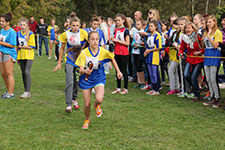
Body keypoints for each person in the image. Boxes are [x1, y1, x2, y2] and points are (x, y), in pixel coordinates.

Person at [75, 31, 122, 129]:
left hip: (98, 78)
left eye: (97, 39)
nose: (95, 42)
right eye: (92, 39)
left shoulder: (102, 51)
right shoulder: (84, 53)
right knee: (87, 104)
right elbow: (80, 70)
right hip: (86, 79)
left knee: (99, 99)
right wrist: (85, 71)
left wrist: (118, 71)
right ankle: (87, 120)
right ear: (88, 40)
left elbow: (112, 58)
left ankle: (96, 105)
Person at [54, 16, 88, 113]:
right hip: (69, 60)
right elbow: (62, 48)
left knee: (76, 82)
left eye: (77, 25)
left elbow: (89, 42)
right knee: (70, 81)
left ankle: (74, 99)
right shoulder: (66, 34)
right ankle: (68, 104)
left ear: (80, 25)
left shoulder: (83, 33)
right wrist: (59, 62)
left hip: (80, 61)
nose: (75, 27)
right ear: (70, 25)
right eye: (73, 25)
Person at [179, 22, 204, 101]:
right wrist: (180, 53)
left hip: (198, 59)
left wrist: (199, 52)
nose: (187, 29)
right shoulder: (185, 38)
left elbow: (203, 47)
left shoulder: (198, 37)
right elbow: (181, 48)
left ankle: (196, 94)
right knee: (186, 75)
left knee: (194, 77)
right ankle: (195, 87)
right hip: (190, 58)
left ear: (193, 29)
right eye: (186, 28)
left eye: (189, 28)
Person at [202, 15, 223, 108]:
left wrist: (210, 35)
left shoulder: (217, 32)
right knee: (208, 79)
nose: (208, 24)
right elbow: (204, 45)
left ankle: (217, 98)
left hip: (214, 55)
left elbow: (215, 45)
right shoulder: (206, 32)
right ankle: (211, 96)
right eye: (207, 22)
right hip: (207, 55)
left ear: (214, 22)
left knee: (213, 78)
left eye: (210, 22)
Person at [111, 14, 130, 94]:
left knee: (124, 70)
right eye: (116, 20)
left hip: (124, 52)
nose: (117, 22)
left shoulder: (126, 30)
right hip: (117, 52)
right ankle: (118, 87)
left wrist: (117, 41)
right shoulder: (116, 30)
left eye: (118, 20)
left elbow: (127, 43)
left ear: (123, 21)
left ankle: (125, 88)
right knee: (117, 70)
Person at [17, 18, 35, 98]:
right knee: (23, 73)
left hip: (29, 55)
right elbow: (17, 46)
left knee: (27, 71)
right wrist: (17, 56)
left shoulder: (30, 34)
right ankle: (25, 91)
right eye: (21, 25)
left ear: (27, 25)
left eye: (24, 25)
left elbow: (32, 46)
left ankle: (28, 91)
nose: (22, 26)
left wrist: (23, 47)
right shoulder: (17, 33)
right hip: (21, 55)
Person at [0, 12, 17, 98]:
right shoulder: (2, 30)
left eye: (3, 21)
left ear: (8, 22)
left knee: (9, 73)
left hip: (9, 54)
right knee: (3, 74)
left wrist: (0, 42)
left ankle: (11, 93)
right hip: (1, 53)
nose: (1, 23)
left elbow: (12, 45)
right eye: (0, 21)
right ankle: (8, 91)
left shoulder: (12, 32)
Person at [144, 20, 162, 95]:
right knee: (150, 73)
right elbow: (147, 45)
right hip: (149, 56)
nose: (150, 28)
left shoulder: (157, 35)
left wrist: (149, 50)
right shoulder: (149, 35)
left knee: (154, 73)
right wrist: (146, 51)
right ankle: (153, 88)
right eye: (149, 26)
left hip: (154, 55)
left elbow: (159, 47)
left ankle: (157, 89)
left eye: (152, 26)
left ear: (155, 27)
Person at [167, 19, 181, 95]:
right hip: (171, 54)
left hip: (177, 55)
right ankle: (176, 87)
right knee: (174, 72)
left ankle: (173, 88)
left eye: (177, 24)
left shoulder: (180, 33)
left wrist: (174, 44)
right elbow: (169, 42)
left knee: (171, 71)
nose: (174, 26)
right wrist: (173, 44)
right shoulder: (174, 33)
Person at [131, 18, 145, 88]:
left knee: (140, 67)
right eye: (136, 24)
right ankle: (139, 82)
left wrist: (139, 45)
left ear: (142, 25)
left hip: (140, 52)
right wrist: (133, 44)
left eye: (138, 24)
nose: (137, 25)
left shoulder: (143, 32)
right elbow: (133, 40)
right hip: (134, 51)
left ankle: (143, 82)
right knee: (136, 66)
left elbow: (143, 42)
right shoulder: (135, 32)